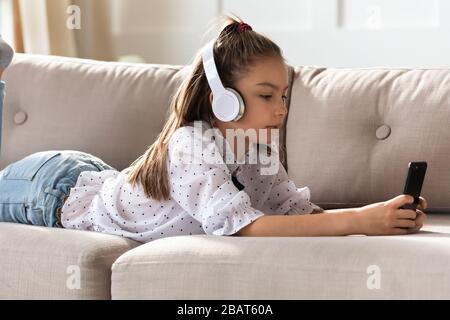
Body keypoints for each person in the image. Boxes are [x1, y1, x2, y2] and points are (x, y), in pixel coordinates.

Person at [0, 17, 427, 242]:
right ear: (222, 99)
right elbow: (243, 226)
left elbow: (289, 213)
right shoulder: (191, 145)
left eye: (283, 96)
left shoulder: (255, 147)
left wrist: (384, 214)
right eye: (265, 95)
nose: (280, 109)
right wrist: (357, 221)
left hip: (93, 175)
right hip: (54, 190)